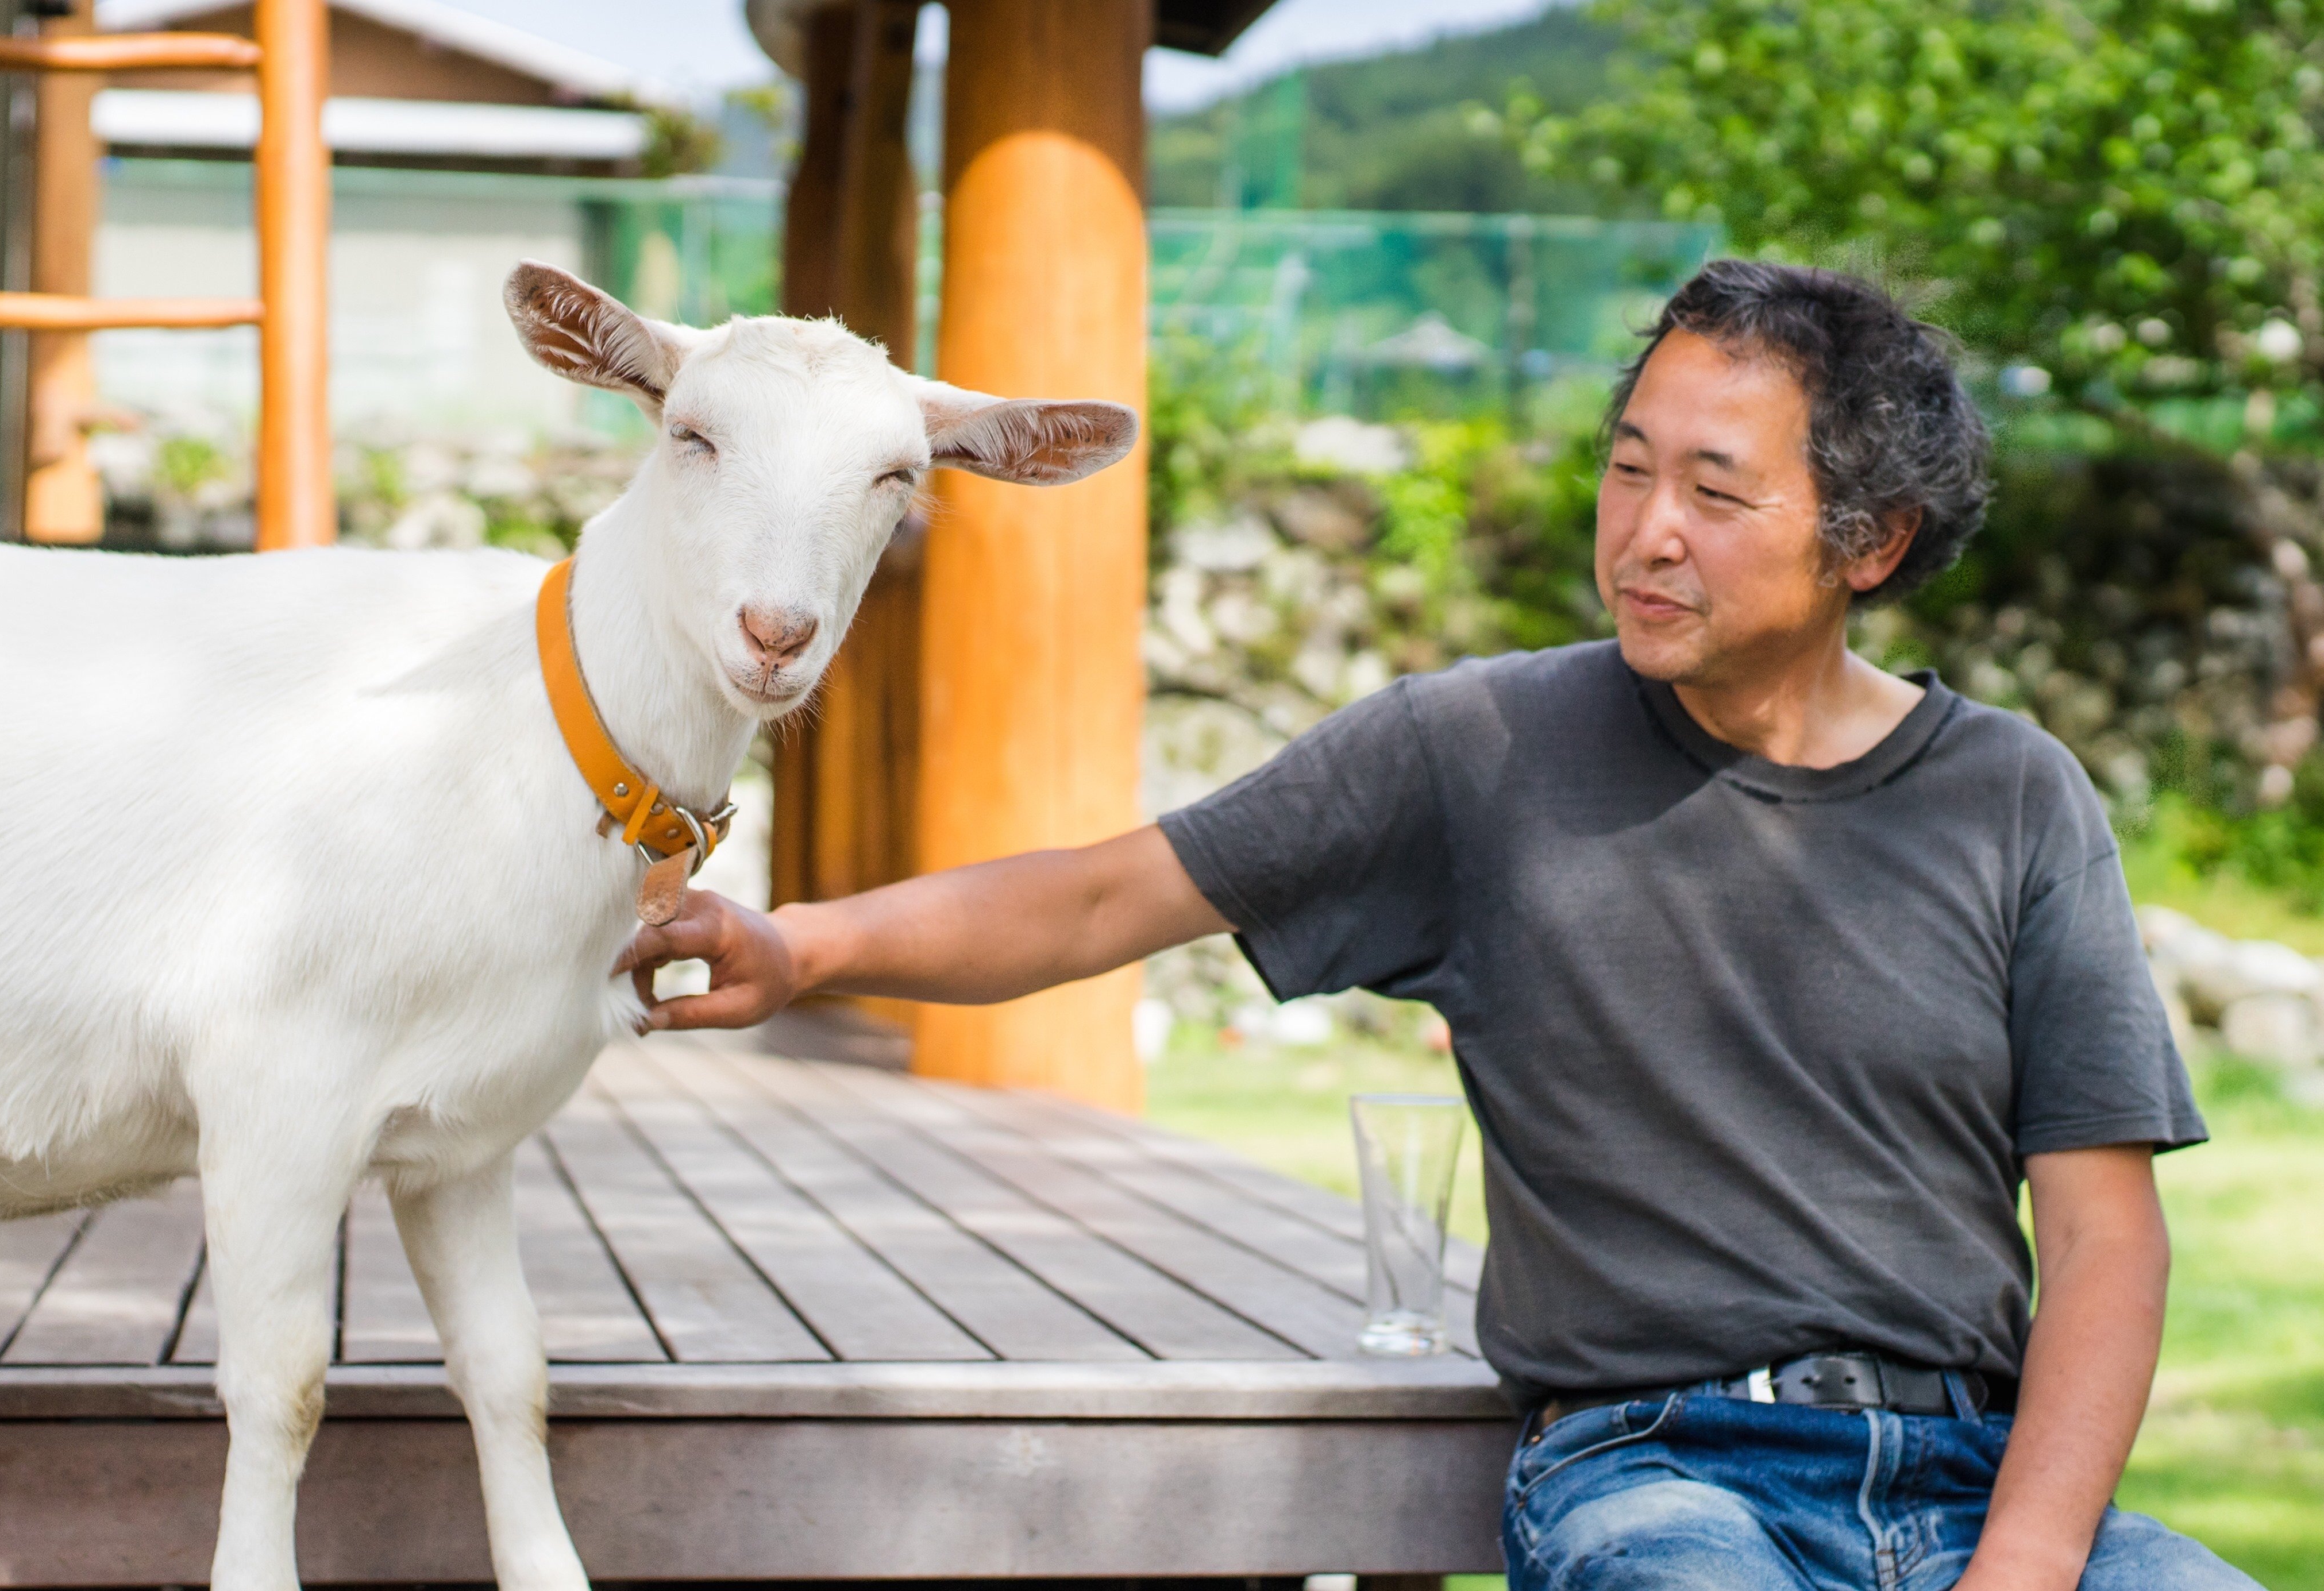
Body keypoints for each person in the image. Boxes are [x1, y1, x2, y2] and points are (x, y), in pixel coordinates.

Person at [614, 260, 2257, 1591]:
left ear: (1870, 542)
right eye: (1629, 467)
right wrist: (806, 947)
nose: (1647, 528)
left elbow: (2104, 1242)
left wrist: (2023, 1565)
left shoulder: (2014, 798)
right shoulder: (1477, 749)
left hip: (1983, 1483)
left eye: (1715, 490)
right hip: (1660, 1479)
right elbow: (1110, 892)